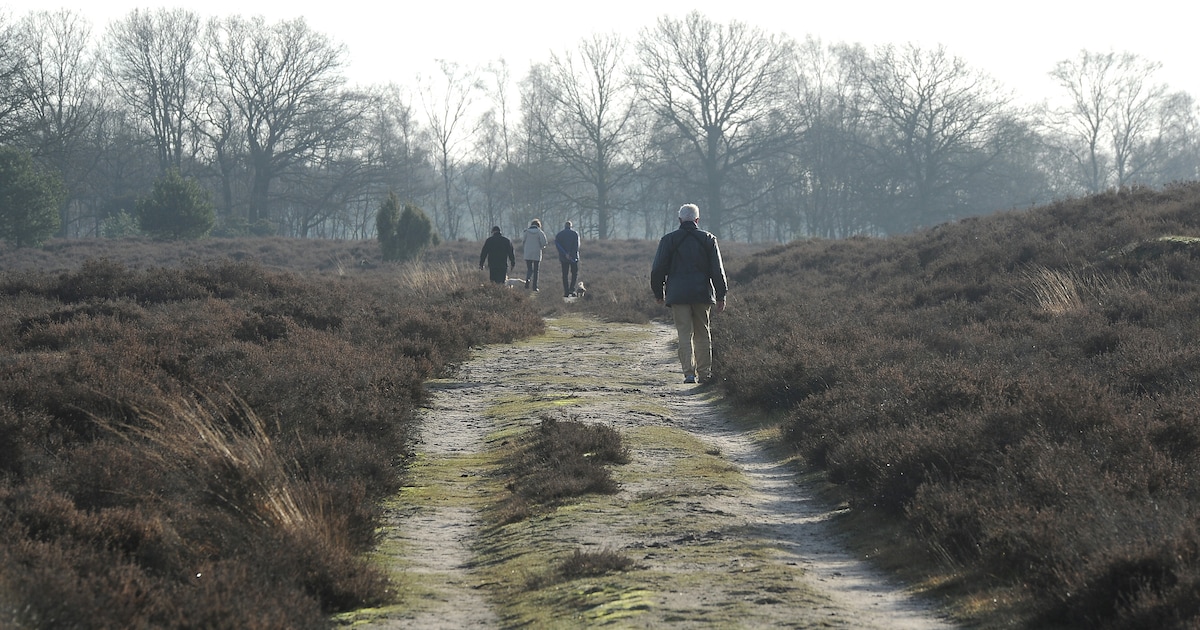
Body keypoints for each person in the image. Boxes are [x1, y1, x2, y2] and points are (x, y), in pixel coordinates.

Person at [650, 203, 728, 384]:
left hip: (677, 295)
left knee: (684, 334)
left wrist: (658, 293)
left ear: (680, 220)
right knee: (702, 333)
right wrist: (721, 295)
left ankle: (689, 373)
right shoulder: (709, 239)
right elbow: (717, 270)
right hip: (702, 294)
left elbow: (657, 269)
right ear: (697, 220)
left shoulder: (668, 240)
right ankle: (705, 373)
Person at [555, 220, 581, 297]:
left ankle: (566, 291)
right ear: (571, 226)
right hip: (574, 258)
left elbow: (558, 246)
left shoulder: (559, 235)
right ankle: (572, 289)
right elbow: (576, 246)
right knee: (574, 274)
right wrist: (571, 254)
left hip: (564, 258)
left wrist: (565, 254)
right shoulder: (575, 234)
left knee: (565, 274)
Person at [521, 219, 548, 291]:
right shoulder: (540, 232)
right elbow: (544, 242)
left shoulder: (526, 232)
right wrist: (542, 247)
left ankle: (528, 279)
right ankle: (535, 287)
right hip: (536, 253)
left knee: (529, 269)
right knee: (536, 271)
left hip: (528, 253)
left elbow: (523, 241)